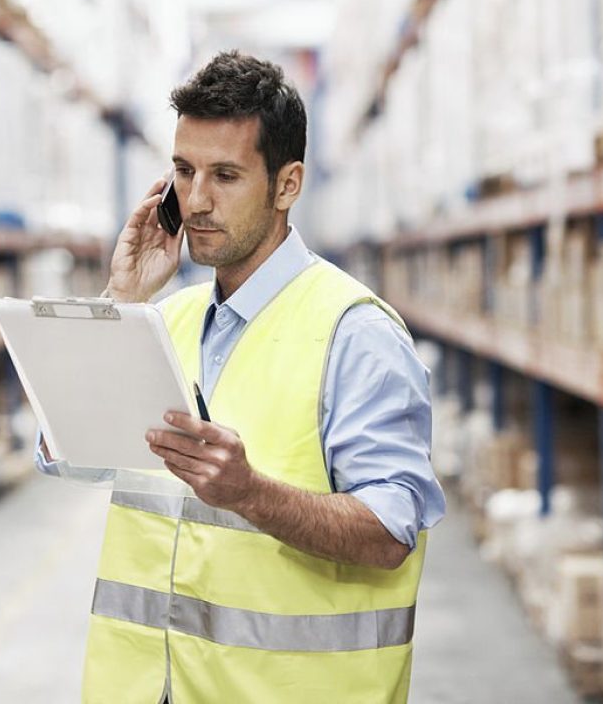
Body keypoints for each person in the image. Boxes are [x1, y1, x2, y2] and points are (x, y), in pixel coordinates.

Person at [38, 50, 445, 703]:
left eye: (224, 175)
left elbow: (391, 530)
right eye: (183, 170)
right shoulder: (161, 320)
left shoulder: (354, 334)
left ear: (287, 185)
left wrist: (251, 492)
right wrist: (120, 300)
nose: (196, 200)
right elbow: (69, 455)